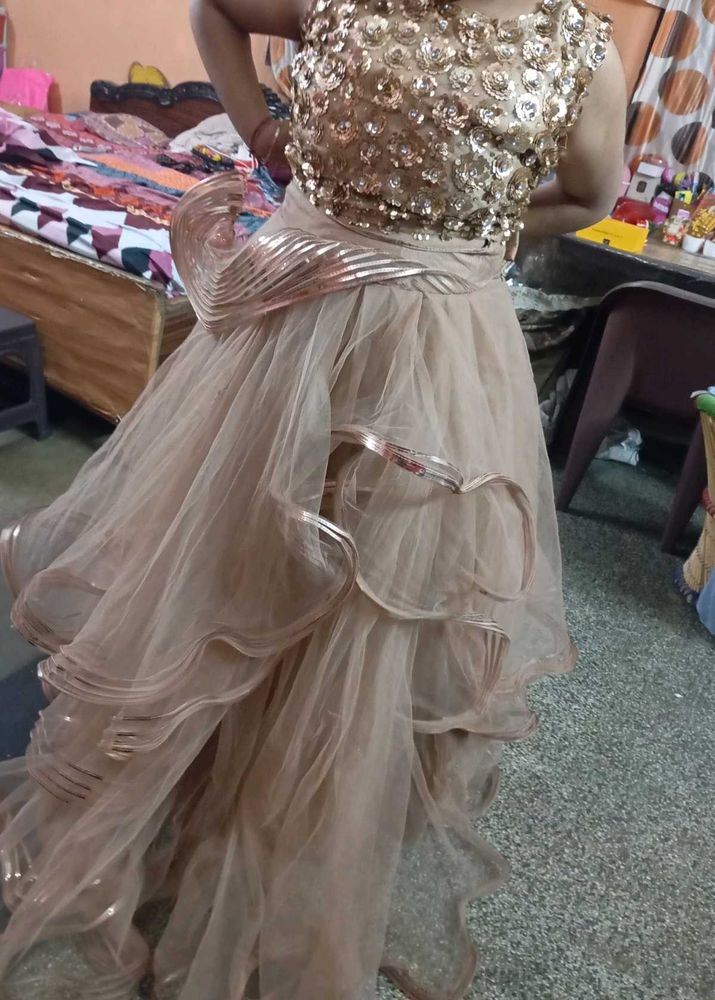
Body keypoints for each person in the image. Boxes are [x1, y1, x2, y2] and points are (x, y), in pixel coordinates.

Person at [0, 2, 626, 998]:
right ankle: (172, 846)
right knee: (223, 580)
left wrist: (469, 231)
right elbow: (214, 8)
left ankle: (275, 889)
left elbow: (595, 190)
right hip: (287, 333)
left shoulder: (576, 46)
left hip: (435, 361)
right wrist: (259, 130)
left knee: (364, 623)